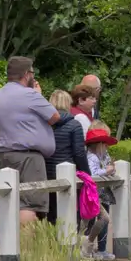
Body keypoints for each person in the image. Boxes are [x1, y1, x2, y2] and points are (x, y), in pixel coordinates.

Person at [0, 56, 58, 219]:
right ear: (27, 74)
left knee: (10, 201)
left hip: (5, 154)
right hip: (28, 157)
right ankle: (27, 243)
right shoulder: (30, 95)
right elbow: (54, 117)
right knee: (30, 204)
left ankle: (10, 242)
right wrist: (38, 95)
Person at [46, 90, 88, 225]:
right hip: (69, 175)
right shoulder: (74, 125)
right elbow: (79, 153)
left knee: (52, 214)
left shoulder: (46, 124)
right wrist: (87, 174)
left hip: (48, 173)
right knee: (70, 215)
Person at [81, 124, 117, 259]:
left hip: (101, 192)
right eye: (105, 144)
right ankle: (88, 247)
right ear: (99, 144)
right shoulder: (92, 157)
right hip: (93, 193)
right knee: (92, 221)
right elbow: (93, 173)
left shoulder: (101, 156)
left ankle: (96, 248)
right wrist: (106, 171)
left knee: (100, 220)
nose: (107, 147)